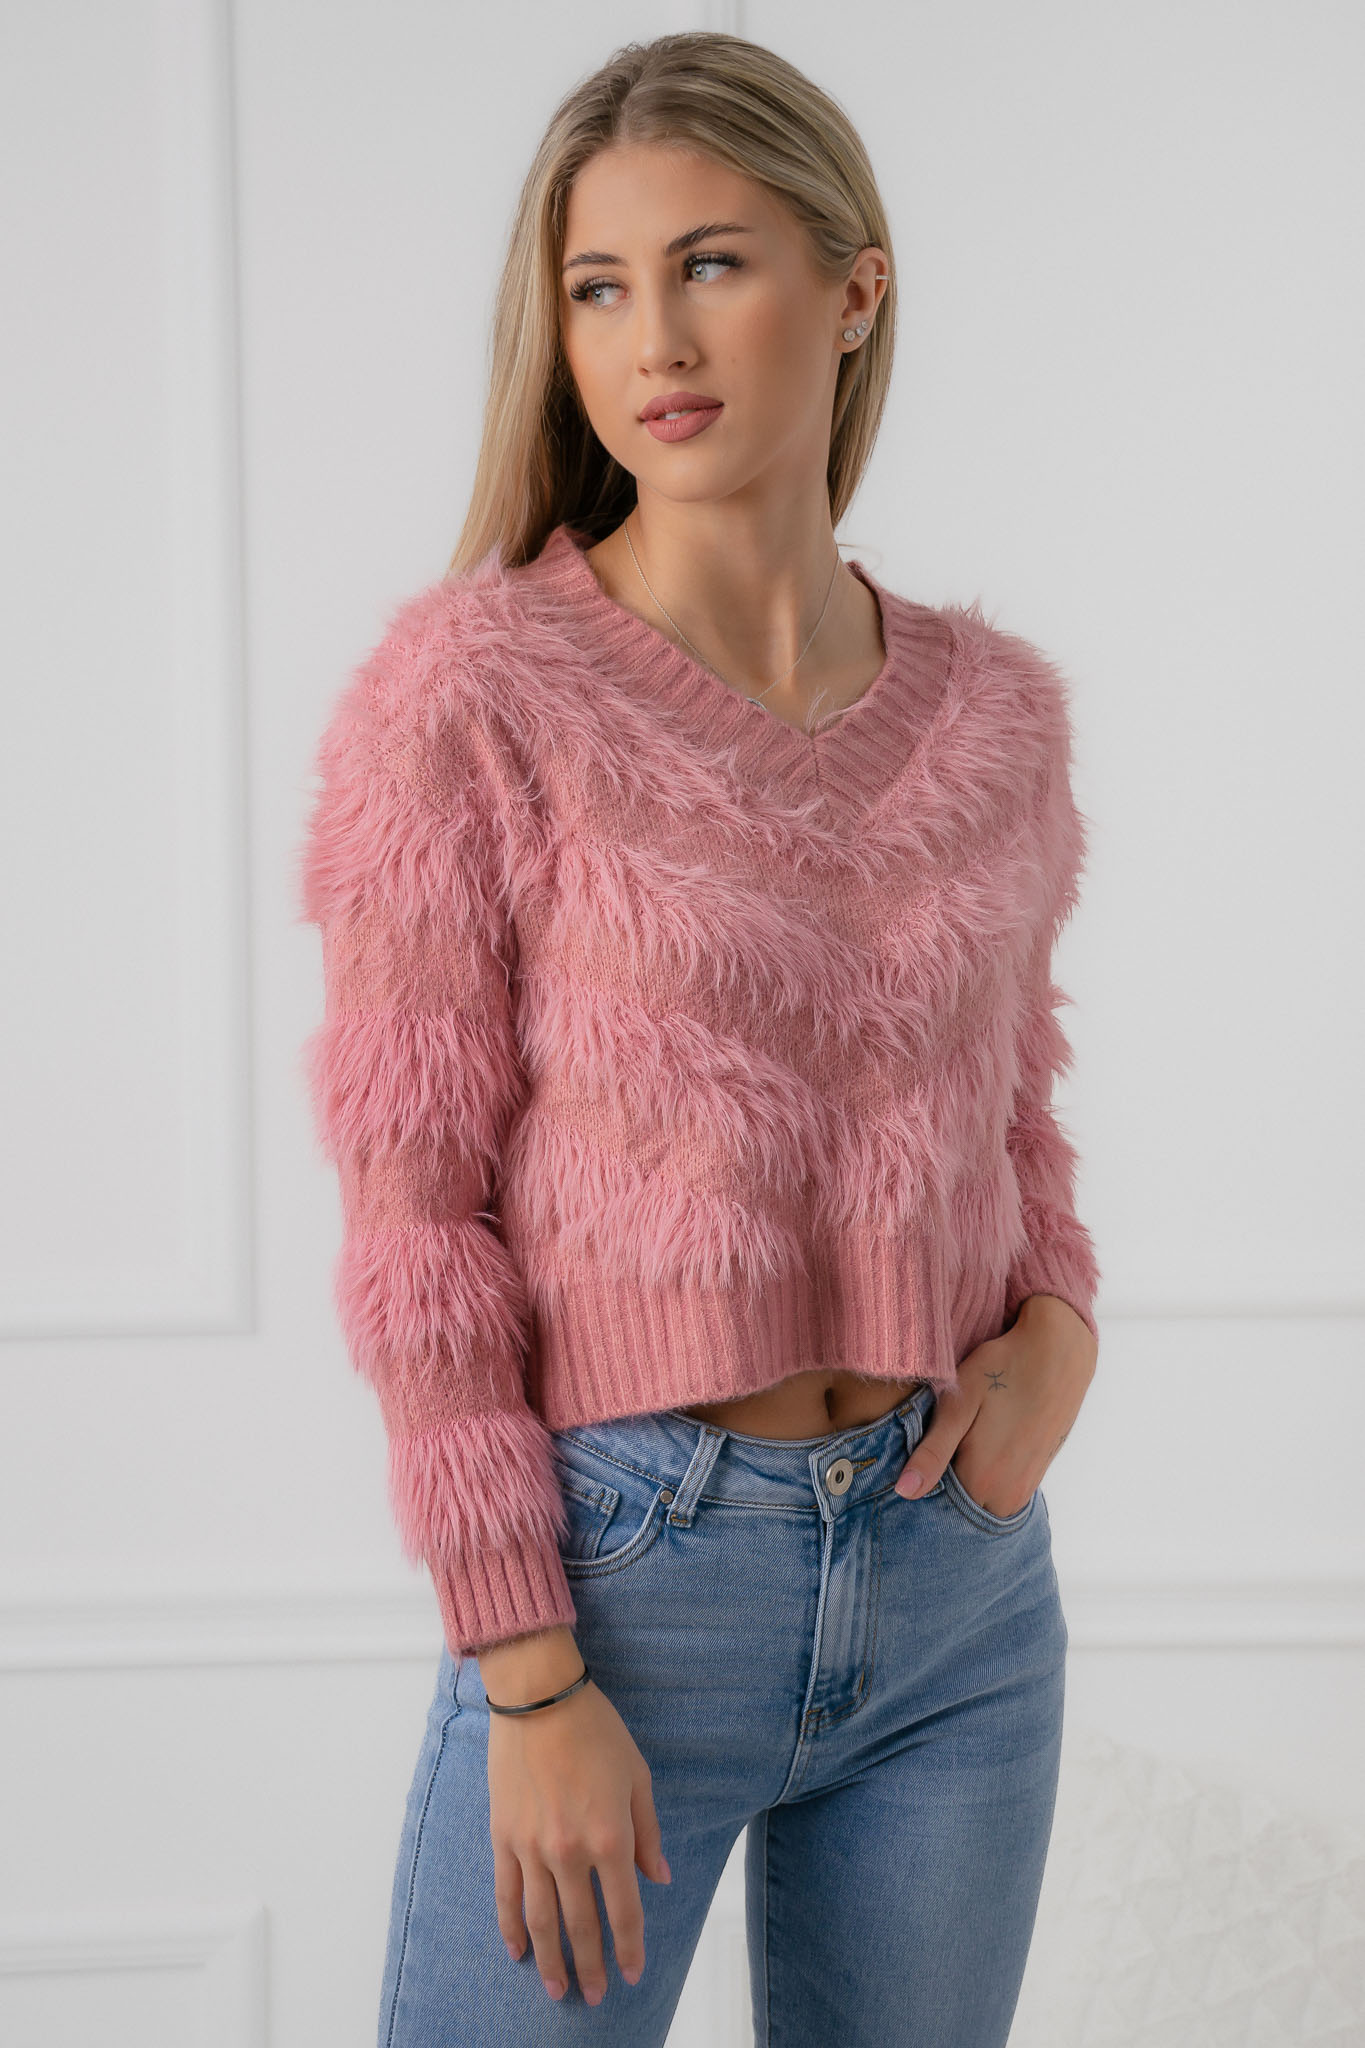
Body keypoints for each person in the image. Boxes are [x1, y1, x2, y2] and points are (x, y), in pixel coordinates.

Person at [297, 29, 1100, 2048]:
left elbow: (1014, 1104)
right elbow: (415, 1228)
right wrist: (526, 1670)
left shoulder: (994, 713)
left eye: (709, 264)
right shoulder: (470, 696)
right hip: (628, 1589)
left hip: (954, 1594)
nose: (650, 336)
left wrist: (1061, 1320)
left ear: (853, 285)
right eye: (596, 287)